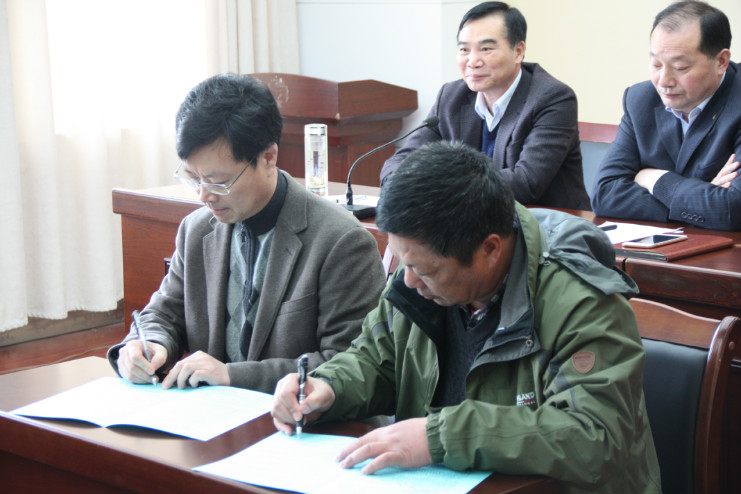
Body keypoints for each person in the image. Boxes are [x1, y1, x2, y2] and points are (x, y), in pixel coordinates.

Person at [273, 141, 661, 493]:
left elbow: (596, 436)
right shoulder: (420, 269)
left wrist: (441, 437)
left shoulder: (582, 302)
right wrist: (328, 387)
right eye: (404, 263)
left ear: (490, 250)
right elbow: (376, 358)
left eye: (424, 270)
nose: (408, 280)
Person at [108, 74, 386, 393]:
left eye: (218, 182)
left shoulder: (341, 241)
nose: (203, 195)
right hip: (214, 416)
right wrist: (146, 344)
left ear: (268, 158)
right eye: (194, 178)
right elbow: (165, 312)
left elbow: (352, 365)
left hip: (301, 417)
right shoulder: (196, 230)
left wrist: (233, 375)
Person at [379, 1, 590, 210]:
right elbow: (399, 163)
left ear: (518, 51)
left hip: (545, 224)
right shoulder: (451, 96)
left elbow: (526, 183)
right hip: (468, 221)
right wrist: (407, 183)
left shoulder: (552, 98)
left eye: (486, 49)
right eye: (464, 49)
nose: (472, 61)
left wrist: (437, 186)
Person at [591, 0, 740, 231]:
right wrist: (701, 200)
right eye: (656, 64)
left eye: (680, 68)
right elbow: (605, 195)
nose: (664, 81)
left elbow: (733, 209)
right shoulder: (641, 99)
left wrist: (654, 179)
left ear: (721, 61)